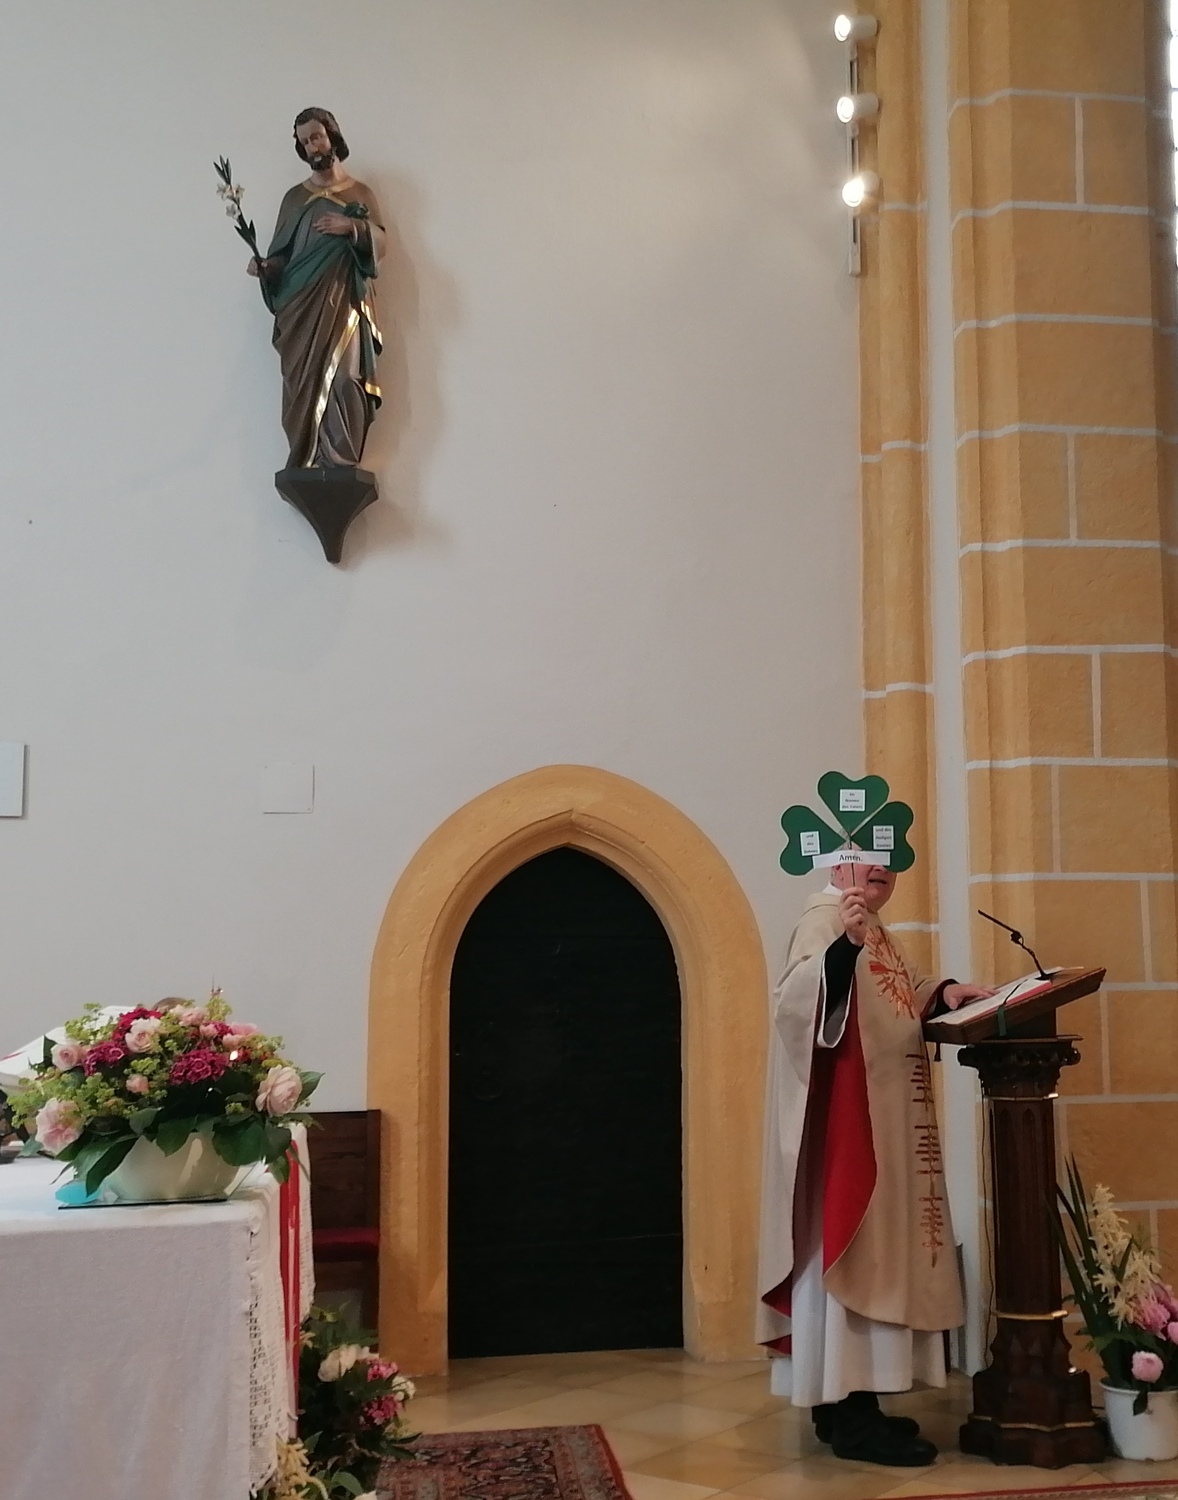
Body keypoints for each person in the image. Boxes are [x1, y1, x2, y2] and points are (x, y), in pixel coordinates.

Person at [756, 856, 994, 1465]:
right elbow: (797, 1007)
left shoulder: (876, 928)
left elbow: (896, 996)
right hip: (850, 1132)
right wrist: (845, 947)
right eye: (865, 860)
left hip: (887, 1126)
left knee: (880, 1255)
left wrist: (943, 993)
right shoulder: (825, 920)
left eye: (888, 861)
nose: (880, 870)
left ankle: (842, 1410)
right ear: (837, 870)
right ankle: (854, 1418)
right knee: (855, 1255)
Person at [249, 108, 385, 469]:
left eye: (317, 137)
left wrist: (352, 227)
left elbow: (381, 244)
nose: (312, 146)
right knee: (303, 382)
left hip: (345, 302)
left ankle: (341, 462)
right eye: (305, 141)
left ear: (332, 137)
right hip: (301, 310)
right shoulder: (294, 199)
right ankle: (308, 459)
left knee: (346, 379)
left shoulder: (359, 192)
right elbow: (281, 257)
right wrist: (265, 267)